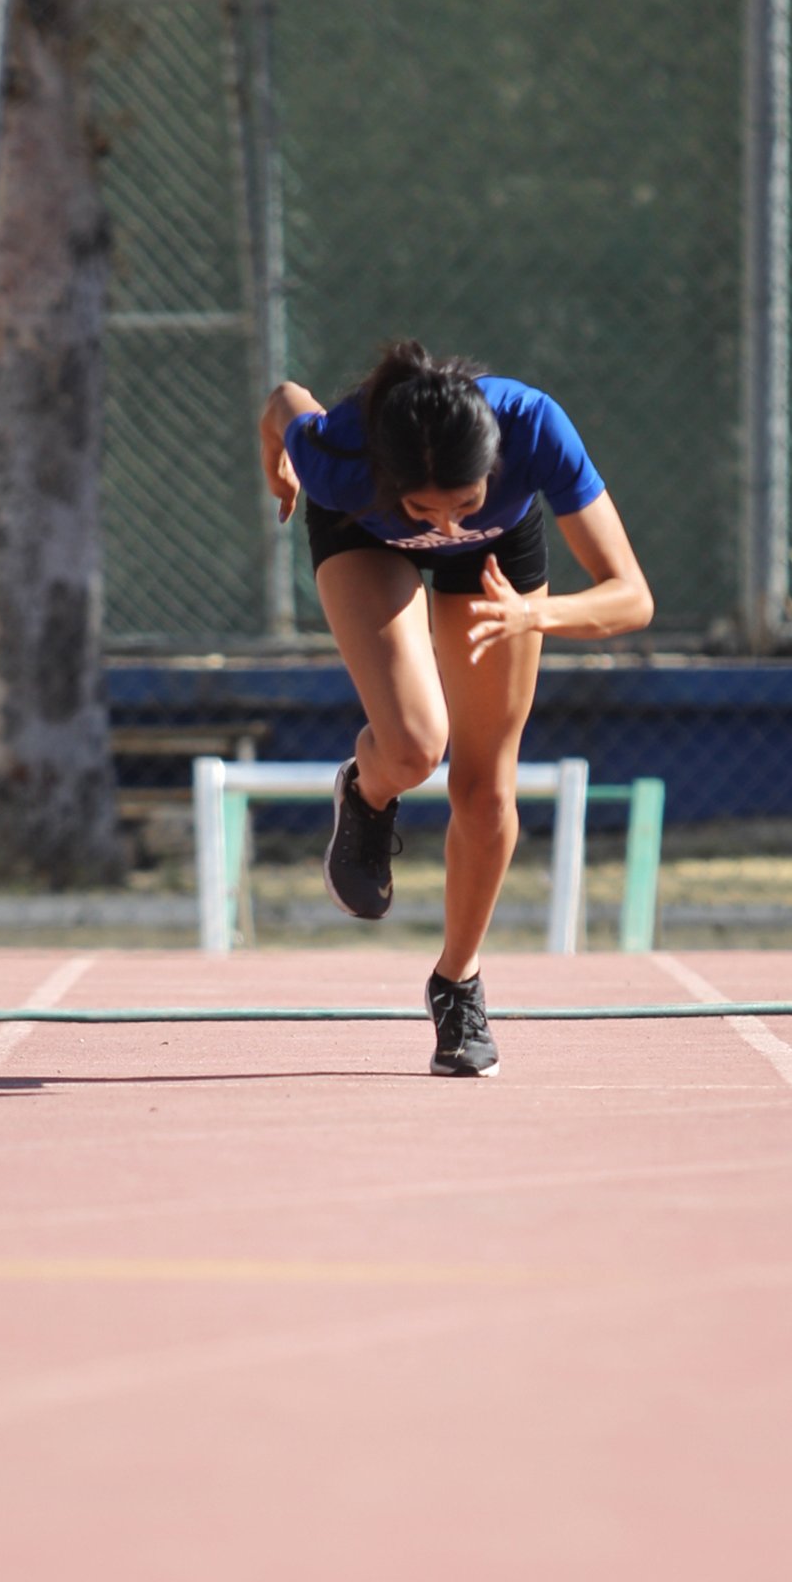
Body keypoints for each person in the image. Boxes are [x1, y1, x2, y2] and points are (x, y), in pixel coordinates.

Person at [258, 340, 654, 1078]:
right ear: (386, 477)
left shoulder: (535, 426)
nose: (443, 525)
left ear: (495, 465)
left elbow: (632, 595)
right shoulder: (340, 455)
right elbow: (284, 402)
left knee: (483, 787)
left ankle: (458, 983)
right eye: (425, 509)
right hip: (363, 538)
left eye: (463, 503)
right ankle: (368, 790)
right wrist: (276, 465)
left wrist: (539, 617)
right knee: (414, 745)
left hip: (497, 565)